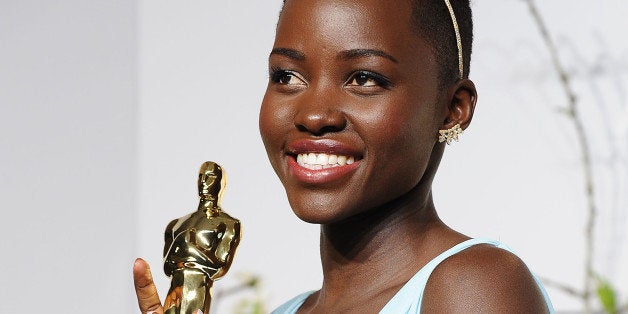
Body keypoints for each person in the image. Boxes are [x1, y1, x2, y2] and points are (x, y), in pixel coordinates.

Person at [134, 0, 554, 313]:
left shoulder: (472, 289)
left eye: (364, 78)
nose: (315, 114)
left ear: (452, 108)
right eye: (287, 76)